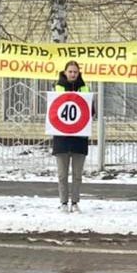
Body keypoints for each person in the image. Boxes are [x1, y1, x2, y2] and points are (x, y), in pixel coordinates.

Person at [54, 60, 92, 213]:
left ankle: (75, 202)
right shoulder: (58, 88)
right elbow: (53, 111)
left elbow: (91, 111)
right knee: (62, 175)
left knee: (77, 175)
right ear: (65, 72)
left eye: (75, 72)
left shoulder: (84, 88)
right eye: (70, 71)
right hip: (61, 137)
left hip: (79, 137)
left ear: (78, 73)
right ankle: (63, 202)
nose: (73, 74)